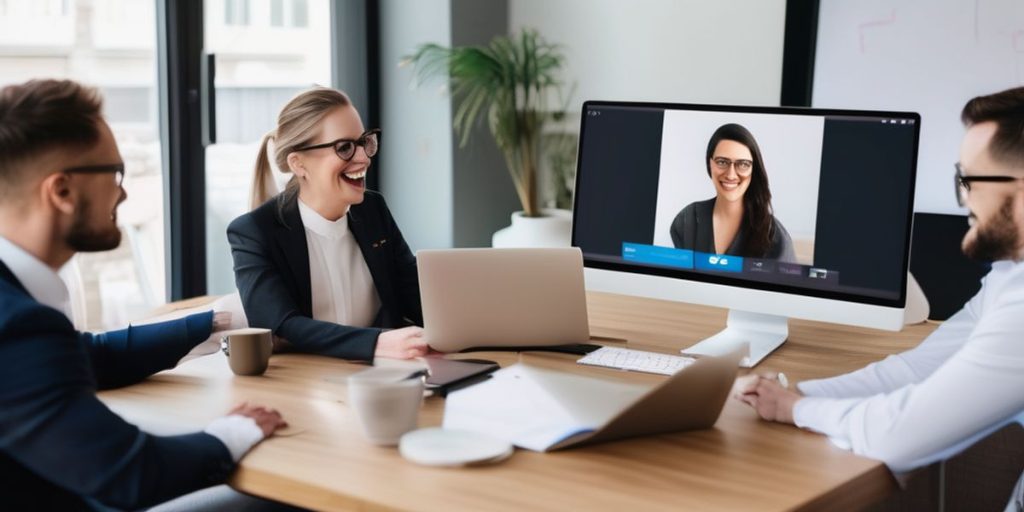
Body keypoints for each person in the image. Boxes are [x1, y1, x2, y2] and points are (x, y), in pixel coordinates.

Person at [0, 79, 288, 510]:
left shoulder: (19, 313)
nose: (123, 192)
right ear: (60, 191)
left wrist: (210, 323)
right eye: (114, 174)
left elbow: (88, 355)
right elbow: (130, 474)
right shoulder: (18, 325)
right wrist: (233, 432)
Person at [732, 87, 1024, 484]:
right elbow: (918, 368)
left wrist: (795, 410)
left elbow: (899, 435)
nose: (963, 199)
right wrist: (792, 393)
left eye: (970, 181)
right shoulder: (1010, 275)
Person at [227, 87, 426, 362]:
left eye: (364, 142)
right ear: (298, 164)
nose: (364, 158)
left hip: (384, 377)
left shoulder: (373, 211)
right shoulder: (254, 231)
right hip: (305, 384)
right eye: (344, 147)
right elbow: (278, 326)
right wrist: (376, 343)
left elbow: (415, 297)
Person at [670, 123, 797, 262]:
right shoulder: (687, 220)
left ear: (753, 170)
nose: (731, 175)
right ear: (709, 164)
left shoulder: (775, 237)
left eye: (743, 164)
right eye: (722, 162)